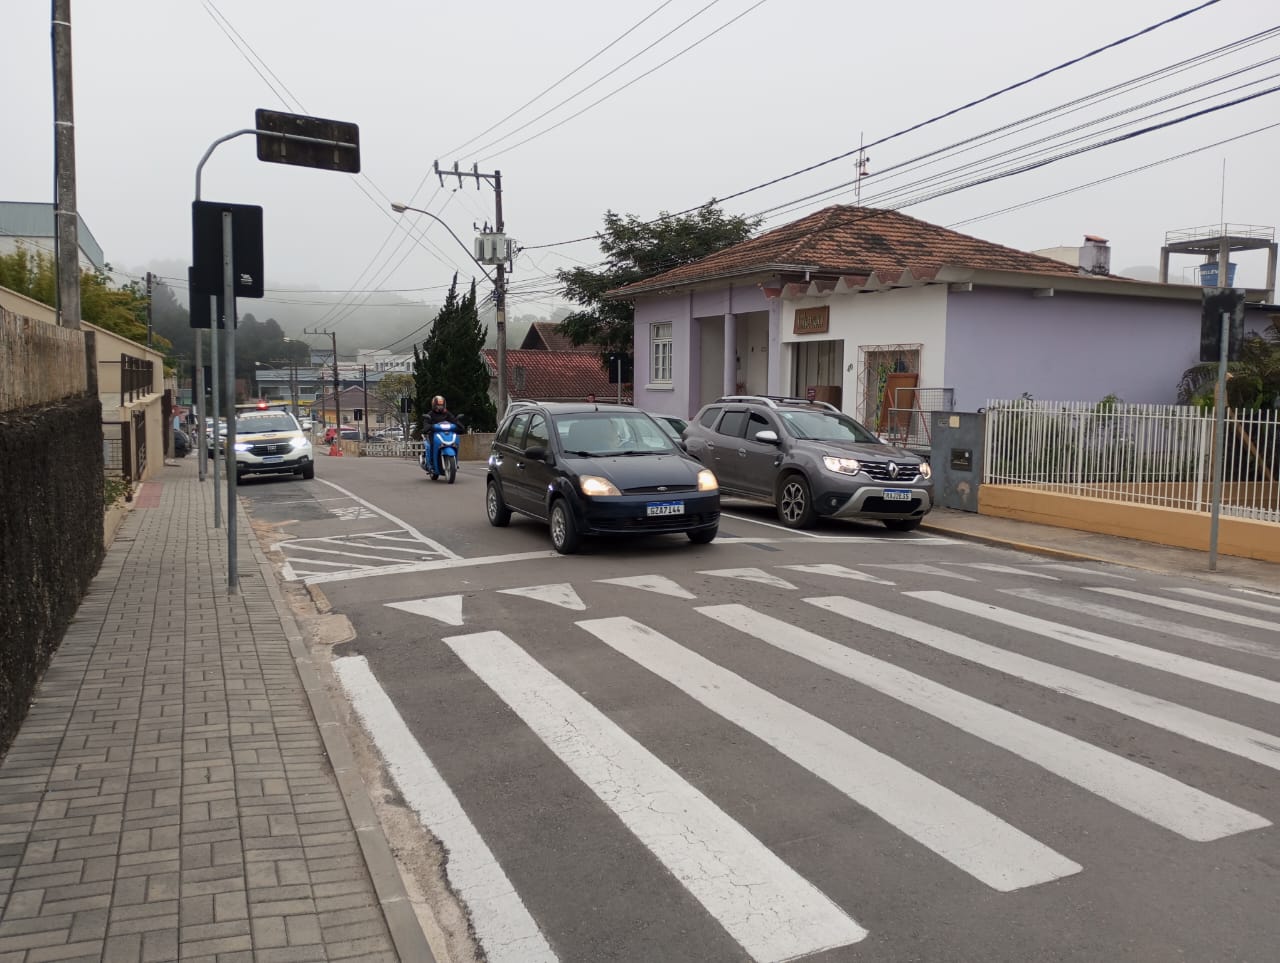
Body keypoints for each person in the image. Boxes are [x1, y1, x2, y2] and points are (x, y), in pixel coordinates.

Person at [424, 396, 454, 470]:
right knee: (432, 445)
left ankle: (454, 462)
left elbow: (453, 420)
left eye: (441, 405)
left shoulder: (447, 413)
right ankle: (431, 462)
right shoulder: (430, 414)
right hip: (434, 433)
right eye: (438, 405)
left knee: (453, 443)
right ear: (434, 405)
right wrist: (427, 426)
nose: (440, 407)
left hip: (445, 433)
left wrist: (459, 425)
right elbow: (426, 422)